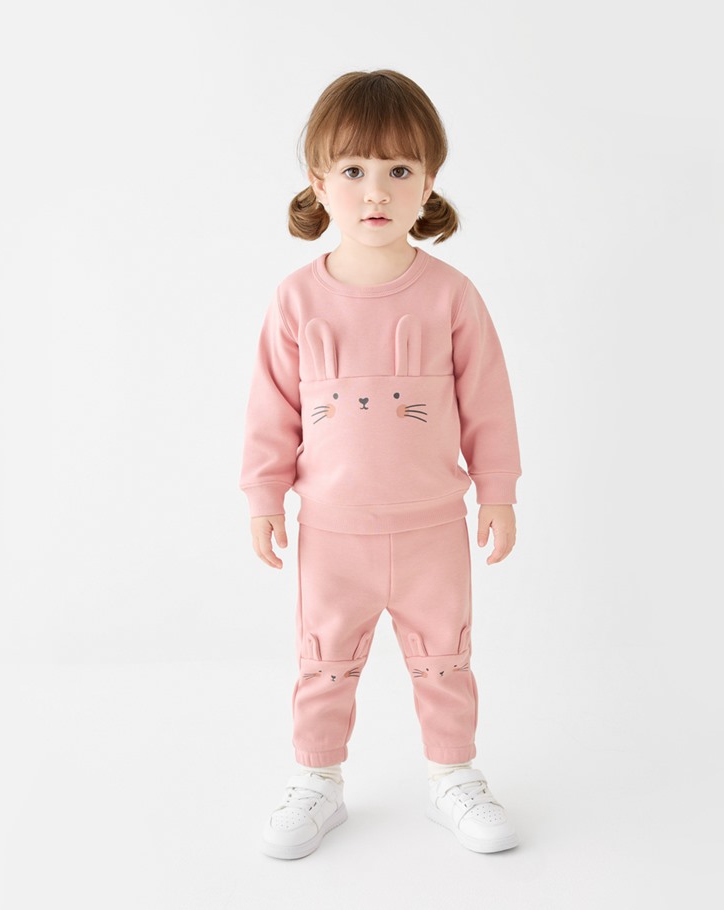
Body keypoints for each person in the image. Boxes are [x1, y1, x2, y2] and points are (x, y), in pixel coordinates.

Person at [238, 69, 523, 860]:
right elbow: (269, 408)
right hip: (333, 534)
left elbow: (489, 401)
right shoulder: (296, 299)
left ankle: (454, 777)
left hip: (433, 528)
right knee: (323, 663)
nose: (377, 191)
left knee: (445, 661)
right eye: (354, 169)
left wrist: (498, 492)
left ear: (428, 183)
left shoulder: (452, 295)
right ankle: (316, 780)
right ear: (318, 183)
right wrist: (263, 496)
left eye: (399, 170)